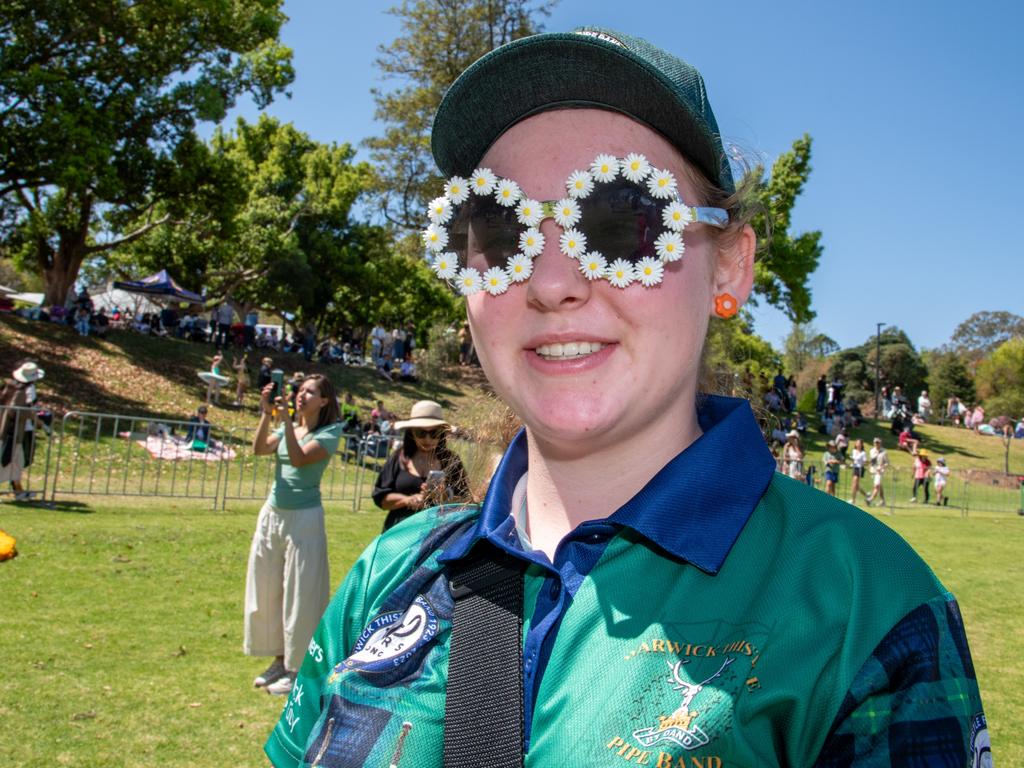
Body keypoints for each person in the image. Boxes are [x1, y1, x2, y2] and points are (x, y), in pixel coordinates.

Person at [266, 28, 988, 765]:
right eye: (498, 227)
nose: (551, 283)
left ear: (729, 269)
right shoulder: (386, 577)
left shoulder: (861, 605)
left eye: (621, 225)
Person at [246, 373, 344, 697]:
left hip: (305, 518)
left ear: (325, 400)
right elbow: (260, 449)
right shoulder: (288, 426)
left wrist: (287, 419)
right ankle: (278, 659)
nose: (302, 395)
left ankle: (297, 668)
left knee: (301, 594)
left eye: (310, 392)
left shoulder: (329, 432)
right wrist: (266, 413)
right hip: (273, 514)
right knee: (268, 587)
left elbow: (300, 459)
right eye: (300, 390)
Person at [371, 400, 469, 532]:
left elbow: (466, 501)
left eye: (434, 433)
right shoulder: (398, 457)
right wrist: (407, 500)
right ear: (411, 433)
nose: (427, 439)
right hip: (398, 533)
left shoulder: (452, 461)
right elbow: (381, 498)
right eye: (421, 433)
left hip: (438, 535)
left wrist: (445, 495)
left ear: (442, 434)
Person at [1, 362, 45, 500]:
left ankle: (18, 491)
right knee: (13, 460)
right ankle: (18, 492)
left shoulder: (10, 386)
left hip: (6, 428)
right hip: (13, 431)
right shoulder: (26, 389)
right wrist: (39, 422)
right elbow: (23, 410)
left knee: (15, 461)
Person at [867, 436, 889, 507]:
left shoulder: (884, 451)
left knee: (877, 486)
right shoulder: (871, 451)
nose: (876, 444)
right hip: (873, 471)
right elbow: (872, 461)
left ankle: (870, 499)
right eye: (875, 443)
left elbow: (887, 463)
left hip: (880, 471)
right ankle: (883, 501)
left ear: (880, 443)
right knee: (879, 486)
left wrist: (881, 467)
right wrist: (870, 468)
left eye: (878, 443)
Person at [847, 438, 870, 505]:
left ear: (862, 444)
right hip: (855, 468)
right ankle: (866, 495)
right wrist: (850, 464)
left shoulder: (863, 453)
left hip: (860, 469)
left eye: (859, 443)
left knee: (854, 484)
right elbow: (853, 460)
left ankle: (853, 500)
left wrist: (866, 462)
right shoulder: (854, 451)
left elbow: (865, 462)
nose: (858, 444)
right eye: (857, 443)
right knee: (856, 486)